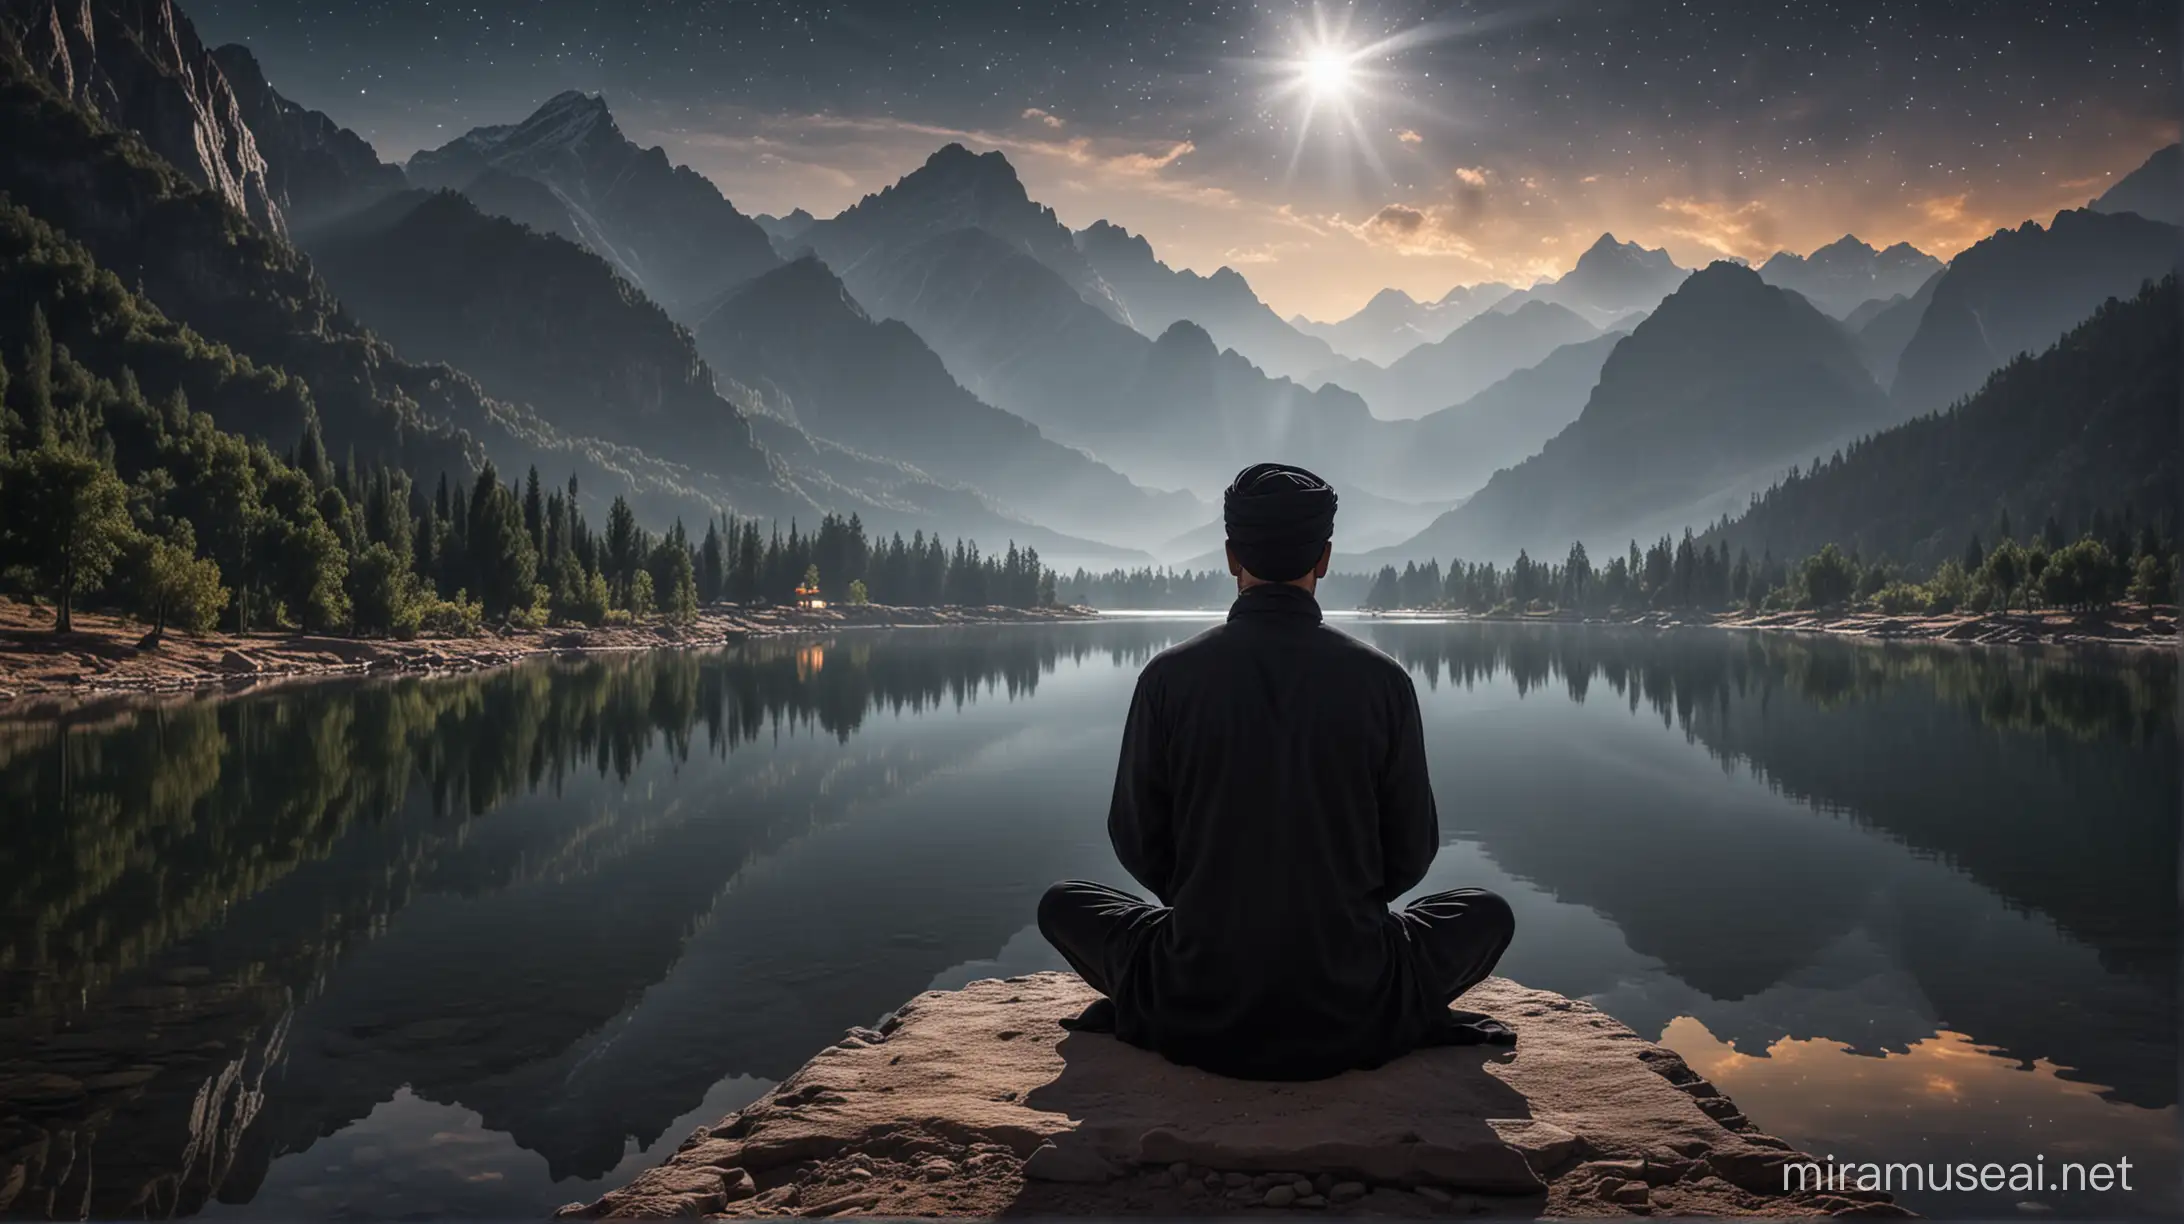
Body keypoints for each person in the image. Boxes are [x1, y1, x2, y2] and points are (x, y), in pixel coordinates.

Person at [1037, 462, 1516, 1081]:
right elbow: (1411, 854)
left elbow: (1135, 838)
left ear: (1232, 555)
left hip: (1195, 994)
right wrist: (1331, 915)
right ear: (1324, 558)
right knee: (1486, 912)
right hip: (1354, 998)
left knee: (1063, 905)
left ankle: (1186, 980)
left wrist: (1214, 910)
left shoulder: (1167, 679)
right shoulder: (1383, 683)